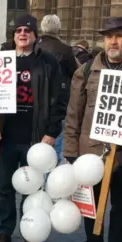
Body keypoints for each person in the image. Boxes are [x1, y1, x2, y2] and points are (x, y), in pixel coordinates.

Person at [63, 16, 122, 242]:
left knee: (121, 207)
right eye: (108, 36)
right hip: (92, 152)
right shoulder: (86, 70)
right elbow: (74, 113)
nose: (113, 41)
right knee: (92, 204)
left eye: (119, 35)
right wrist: (71, 152)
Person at [0, 14, 67, 242]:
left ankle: (32, 231)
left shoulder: (47, 61)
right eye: (18, 30)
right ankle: (4, 229)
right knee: (5, 187)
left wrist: (52, 132)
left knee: (34, 189)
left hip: (36, 137)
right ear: (13, 35)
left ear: (35, 35)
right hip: (7, 135)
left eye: (27, 30)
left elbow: (59, 101)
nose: (22, 33)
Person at [37, 14, 77, 163]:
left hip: (35, 102)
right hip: (58, 103)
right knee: (54, 145)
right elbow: (75, 75)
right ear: (58, 29)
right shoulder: (65, 49)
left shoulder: (34, 45)